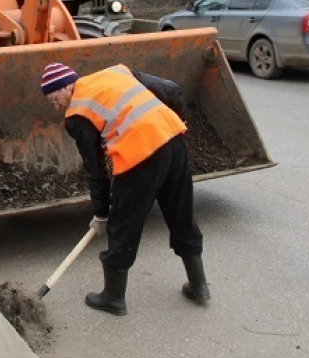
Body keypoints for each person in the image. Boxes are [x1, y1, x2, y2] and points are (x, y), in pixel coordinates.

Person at [41, 62, 210, 316]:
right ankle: (199, 286)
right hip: (173, 142)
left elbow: (95, 169)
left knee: (123, 225)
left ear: (67, 86)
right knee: (181, 214)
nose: (56, 106)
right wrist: (178, 122)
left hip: (139, 158)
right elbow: (172, 89)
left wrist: (102, 213)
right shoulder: (115, 72)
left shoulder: (77, 114)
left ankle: (113, 298)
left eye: (55, 99)